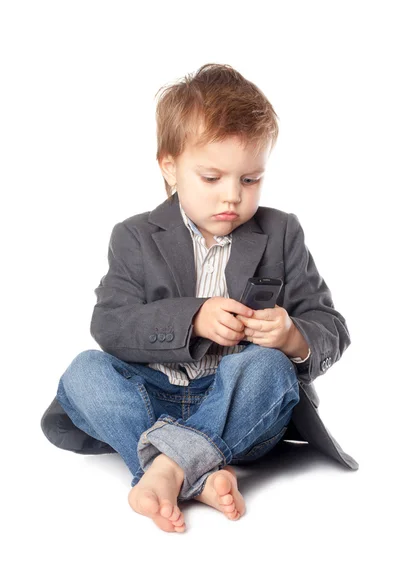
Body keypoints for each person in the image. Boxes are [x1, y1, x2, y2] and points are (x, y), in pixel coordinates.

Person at [40, 63, 357, 534]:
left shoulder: (282, 231)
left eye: (250, 180)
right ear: (169, 167)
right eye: (212, 177)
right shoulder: (133, 236)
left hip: (238, 404)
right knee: (86, 371)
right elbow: (111, 324)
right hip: (153, 396)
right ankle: (196, 471)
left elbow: (330, 324)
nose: (233, 196)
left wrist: (292, 336)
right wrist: (194, 318)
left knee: (269, 367)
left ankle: (165, 469)